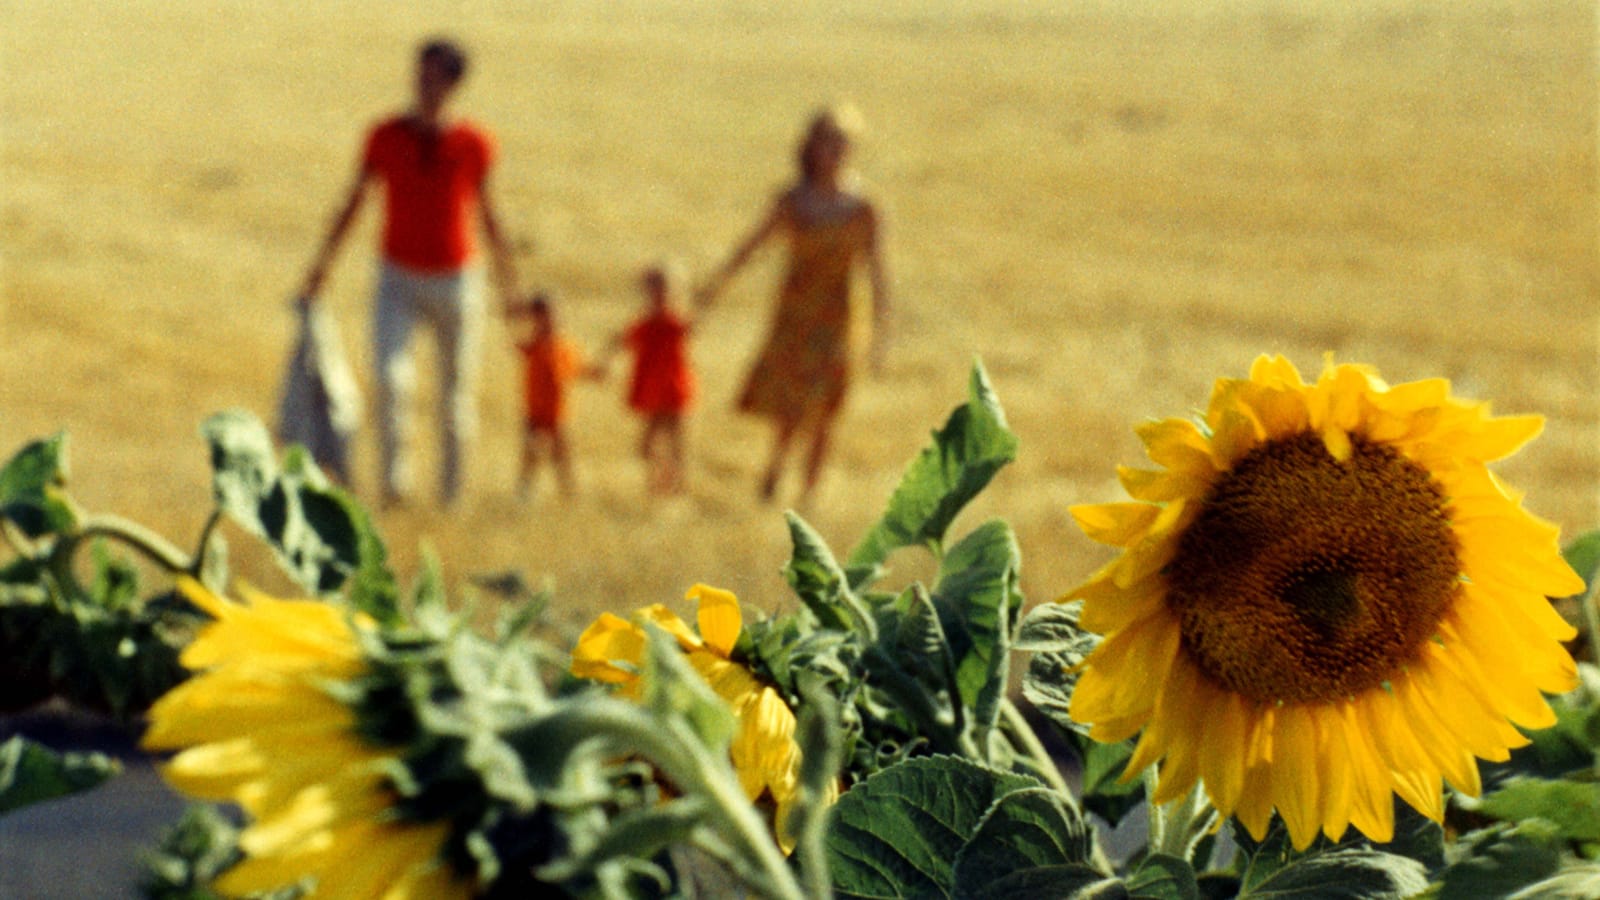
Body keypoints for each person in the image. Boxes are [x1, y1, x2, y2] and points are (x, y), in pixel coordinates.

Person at [296, 37, 519, 508]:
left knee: (455, 397)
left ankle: (450, 497)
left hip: (457, 278)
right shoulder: (386, 136)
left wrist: (508, 285)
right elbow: (354, 201)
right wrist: (322, 266)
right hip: (396, 275)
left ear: (454, 83)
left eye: (434, 75)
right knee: (391, 381)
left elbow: (490, 214)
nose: (423, 84)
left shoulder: (473, 143)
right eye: (420, 73)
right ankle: (395, 489)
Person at [695, 104, 891, 505]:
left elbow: (878, 273)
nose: (836, 151)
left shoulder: (864, 207)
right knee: (790, 403)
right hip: (796, 313)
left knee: (827, 408)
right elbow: (750, 248)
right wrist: (713, 289)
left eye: (843, 143)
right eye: (829, 142)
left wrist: (882, 333)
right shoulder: (793, 201)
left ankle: (809, 494)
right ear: (812, 147)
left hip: (840, 315)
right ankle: (775, 470)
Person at [594, 261, 696, 495]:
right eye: (655, 291)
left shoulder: (677, 322)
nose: (660, 297)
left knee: (678, 442)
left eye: (665, 290)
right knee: (648, 444)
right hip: (653, 391)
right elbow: (619, 341)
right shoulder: (643, 325)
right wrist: (604, 363)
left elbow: (694, 326)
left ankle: (677, 486)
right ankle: (657, 483)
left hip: (675, 390)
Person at [510, 294, 587, 500]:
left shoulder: (564, 346)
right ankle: (524, 492)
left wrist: (596, 373)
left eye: (551, 315)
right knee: (530, 451)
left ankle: (569, 493)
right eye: (541, 316)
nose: (548, 321)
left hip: (558, 411)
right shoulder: (533, 344)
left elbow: (577, 369)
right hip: (534, 410)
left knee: (562, 455)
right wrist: (515, 315)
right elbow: (514, 343)